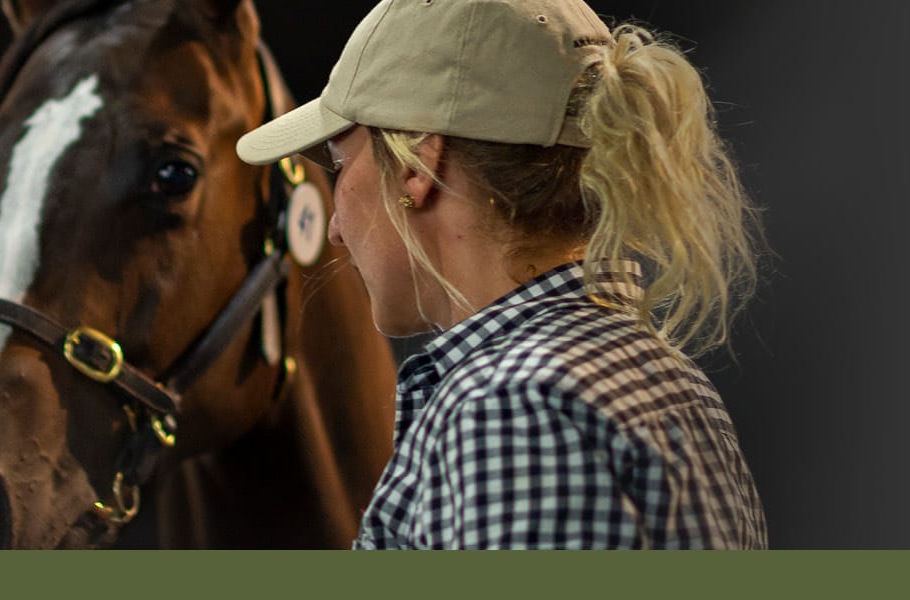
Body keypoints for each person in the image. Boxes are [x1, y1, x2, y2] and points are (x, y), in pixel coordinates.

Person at [236, 0, 767, 549]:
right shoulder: (671, 382)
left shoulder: (511, 406)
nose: (334, 228)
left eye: (342, 164)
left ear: (417, 165)